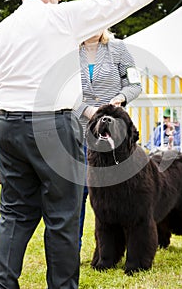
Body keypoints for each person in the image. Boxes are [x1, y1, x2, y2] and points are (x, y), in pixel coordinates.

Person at [0, 0, 182, 288]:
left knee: (14, 214)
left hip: (8, 127)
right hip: (52, 128)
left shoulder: (0, 31)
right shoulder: (62, 18)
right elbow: (121, 0)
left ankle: (1, 284)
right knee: (62, 215)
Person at [75, 29, 142, 250]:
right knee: (77, 195)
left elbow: (135, 84)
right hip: (77, 133)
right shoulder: (68, 51)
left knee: (121, 192)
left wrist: (121, 98)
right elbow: (61, 91)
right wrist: (87, 110)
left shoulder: (118, 48)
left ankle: (118, 246)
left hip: (115, 139)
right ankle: (71, 249)